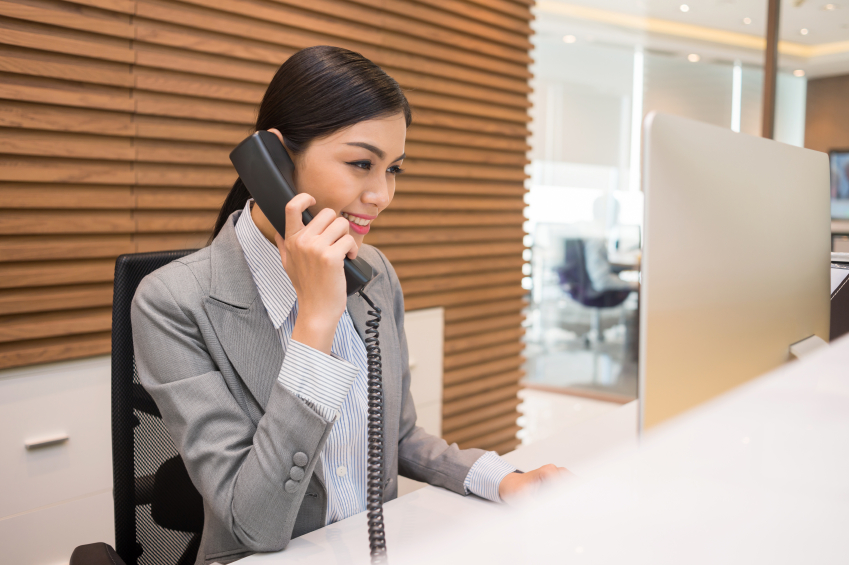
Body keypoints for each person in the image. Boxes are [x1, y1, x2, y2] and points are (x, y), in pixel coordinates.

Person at [131, 46, 568, 565]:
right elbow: (253, 523)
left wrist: (503, 480)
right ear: (272, 158)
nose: (382, 194)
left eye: (394, 169)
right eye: (361, 163)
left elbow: (398, 437)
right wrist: (315, 322)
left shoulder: (374, 272)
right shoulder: (172, 302)